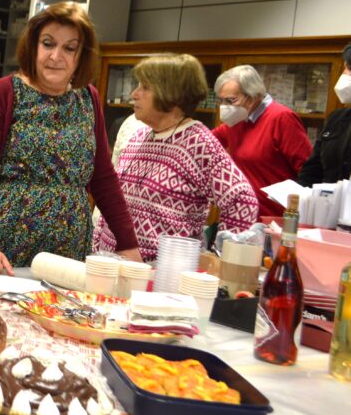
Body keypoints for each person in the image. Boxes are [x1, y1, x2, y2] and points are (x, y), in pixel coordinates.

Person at [0, 1, 140, 274]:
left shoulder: (88, 98)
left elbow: (103, 178)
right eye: (48, 44)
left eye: (69, 48)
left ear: (81, 56)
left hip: (69, 257)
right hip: (5, 251)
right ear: (33, 46)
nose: (56, 56)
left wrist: (127, 243)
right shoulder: (4, 92)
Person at [93, 54, 258, 262]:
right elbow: (115, 203)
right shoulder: (138, 137)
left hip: (161, 274)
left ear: (170, 94)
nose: (134, 94)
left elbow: (242, 200)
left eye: (145, 87)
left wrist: (222, 261)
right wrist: (96, 246)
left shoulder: (198, 143)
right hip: (111, 265)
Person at [212, 65, 311, 217]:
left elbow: (308, 171)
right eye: (221, 101)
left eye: (230, 100)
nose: (225, 107)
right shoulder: (237, 119)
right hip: (242, 215)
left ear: (252, 96)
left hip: (274, 218)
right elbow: (205, 142)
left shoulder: (281, 118)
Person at [299, 44, 351, 185]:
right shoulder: (336, 118)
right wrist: (302, 194)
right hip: (325, 198)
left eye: (349, 68)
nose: (344, 75)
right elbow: (312, 170)